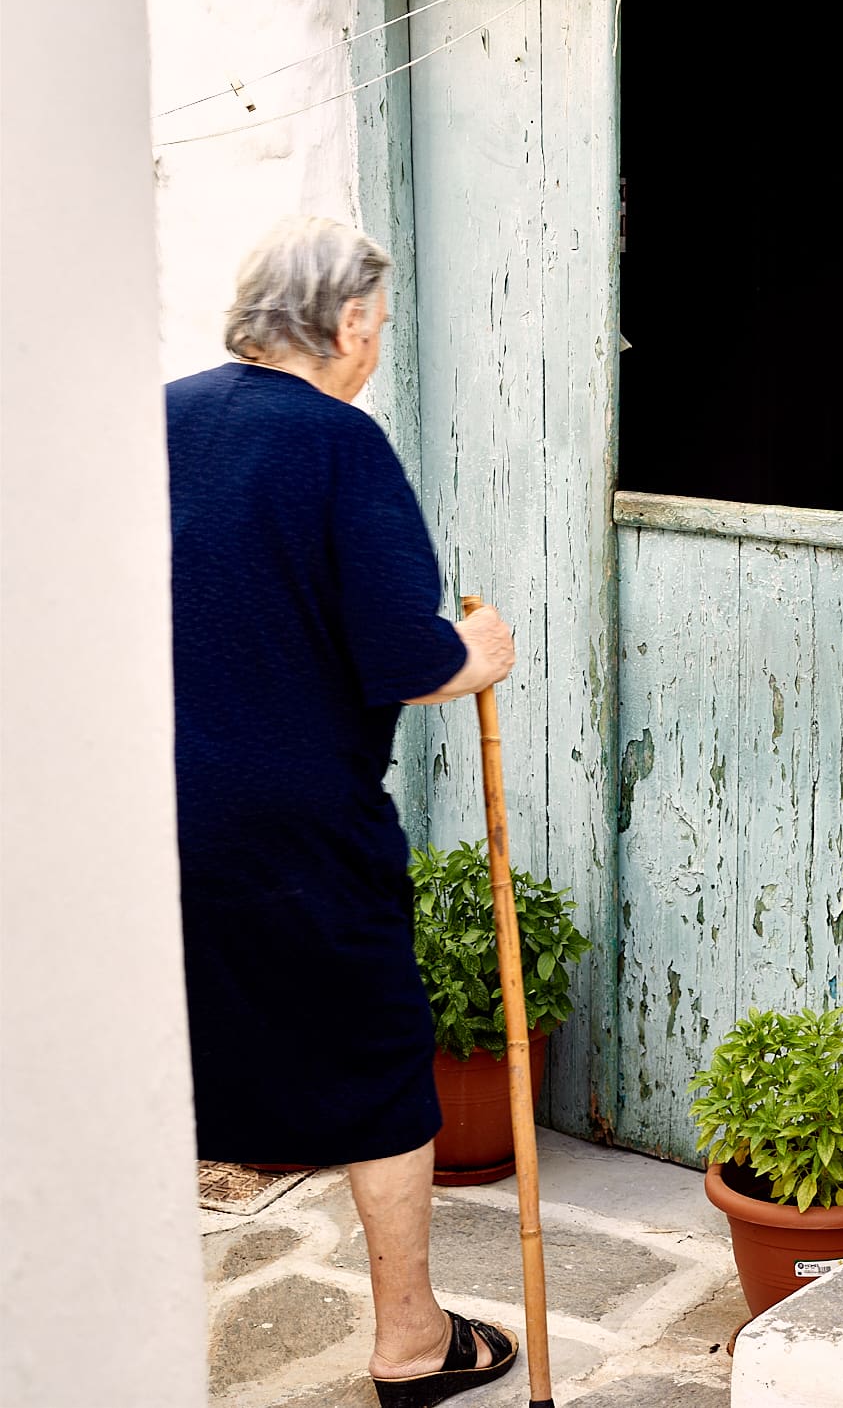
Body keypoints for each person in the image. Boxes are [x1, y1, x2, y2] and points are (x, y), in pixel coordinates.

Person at [166, 216, 519, 1404]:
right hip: (293, 829)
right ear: (349, 325)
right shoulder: (337, 443)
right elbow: (398, 657)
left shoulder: (155, 418)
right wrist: (470, 653)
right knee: (375, 1061)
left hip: (142, 813)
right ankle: (412, 1343)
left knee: (163, 1066)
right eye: (377, 322)